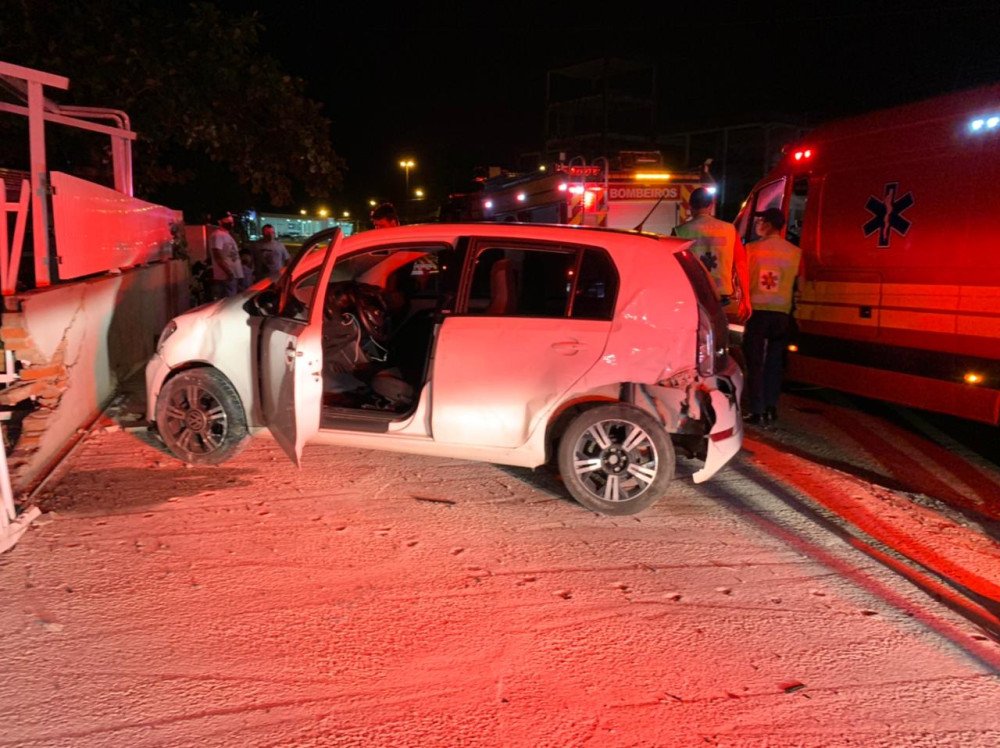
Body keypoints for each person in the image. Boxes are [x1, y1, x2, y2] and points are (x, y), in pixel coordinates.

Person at [741, 208, 803, 427]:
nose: (758, 224)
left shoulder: (751, 249)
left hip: (758, 313)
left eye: (761, 221)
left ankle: (756, 411)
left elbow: (742, 280)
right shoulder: (795, 252)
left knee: (755, 363)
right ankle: (771, 408)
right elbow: (798, 284)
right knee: (774, 364)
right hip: (781, 315)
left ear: (767, 224)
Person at [673, 187, 752, 321]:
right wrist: (746, 299)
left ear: (690, 206)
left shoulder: (680, 231)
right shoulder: (730, 230)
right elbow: (741, 265)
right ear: (711, 205)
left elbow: (674, 270)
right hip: (722, 300)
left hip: (694, 298)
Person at [208, 212, 244, 300]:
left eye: (231, 220)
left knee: (233, 299)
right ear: (220, 222)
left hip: (232, 275)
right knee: (228, 301)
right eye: (228, 221)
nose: (231, 223)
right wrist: (229, 272)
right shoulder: (217, 235)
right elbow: (217, 255)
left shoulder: (227, 235)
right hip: (226, 276)